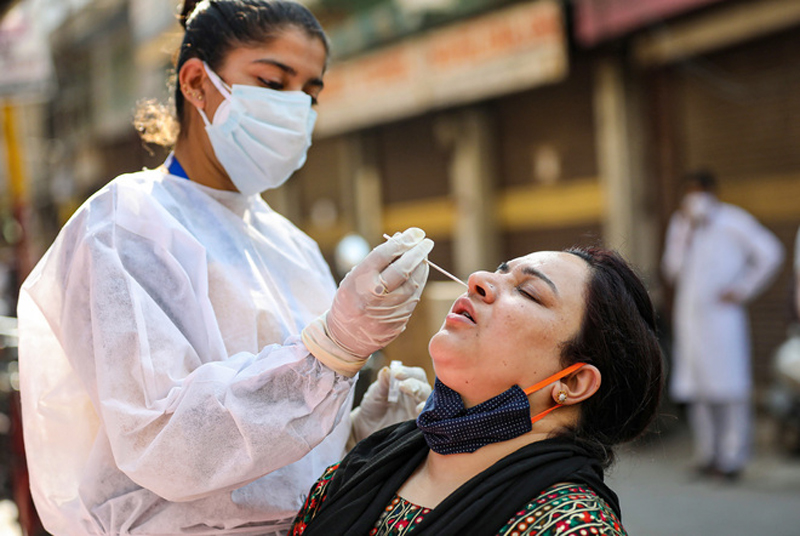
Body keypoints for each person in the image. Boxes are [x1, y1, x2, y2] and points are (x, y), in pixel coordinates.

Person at [16, 1, 434, 535]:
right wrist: (331, 353)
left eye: (309, 94)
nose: (295, 108)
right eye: (273, 82)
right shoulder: (126, 225)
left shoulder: (293, 246)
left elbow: (275, 468)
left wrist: (352, 436)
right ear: (196, 82)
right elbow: (166, 447)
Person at [290, 246, 664, 536]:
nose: (478, 279)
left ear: (572, 382)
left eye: (528, 292)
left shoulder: (568, 525)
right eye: (499, 270)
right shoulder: (362, 466)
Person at [661, 170, 784, 480]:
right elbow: (671, 268)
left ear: (711, 192)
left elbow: (771, 252)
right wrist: (687, 233)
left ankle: (732, 459)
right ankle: (706, 455)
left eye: (699, 191)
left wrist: (742, 289)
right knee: (698, 391)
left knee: (730, 390)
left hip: (723, 318)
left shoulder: (733, 221)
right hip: (691, 319)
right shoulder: (681, 224)